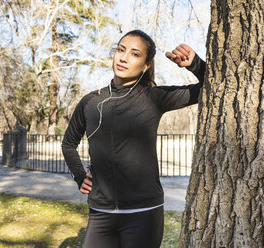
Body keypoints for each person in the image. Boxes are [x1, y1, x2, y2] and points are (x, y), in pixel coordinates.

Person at [61, 30, 205, 248]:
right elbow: (68, 144)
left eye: (135, 54)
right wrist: (80, 177)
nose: (124, 57)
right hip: (101, 212)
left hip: (144, 214)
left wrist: (195, 64)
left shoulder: (153, 97)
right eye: (121, 49)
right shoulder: (90, 101)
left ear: (146, 65)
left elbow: (210, 88)